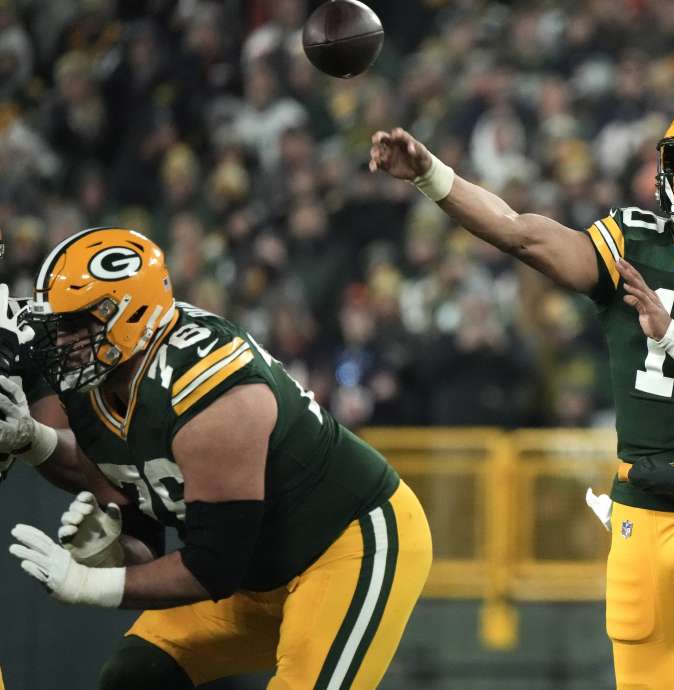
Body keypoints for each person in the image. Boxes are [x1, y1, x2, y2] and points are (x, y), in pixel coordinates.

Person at [369, 96, 674, 689]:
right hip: (642, 503)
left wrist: (673, 336)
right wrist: (432, 175)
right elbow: (520, 233)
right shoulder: (634, 240)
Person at [0, 227, 432, 689]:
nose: (60, 341)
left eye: (74, 324)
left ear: (129, 316)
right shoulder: (96, 380)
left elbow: (212, 568)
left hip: (345, 546)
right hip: (252, 571)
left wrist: (86, 584)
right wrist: (113, 551)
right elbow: (142, 525)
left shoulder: (211, 389)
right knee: (135, 677)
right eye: (57, 324)